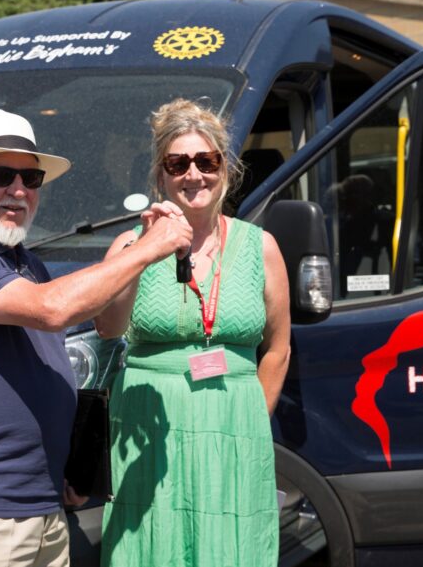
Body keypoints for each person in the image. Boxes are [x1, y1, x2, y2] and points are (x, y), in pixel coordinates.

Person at [0, 109, 192, 567]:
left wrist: (131, 253)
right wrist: (147, 249)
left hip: (39, 502)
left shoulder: (24, 263)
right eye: (1, 174)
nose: (18, 190)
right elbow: (53, 310)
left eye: (31, 177)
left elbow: (110, 325)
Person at [94, 99, 292, 567]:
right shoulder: (129, 245)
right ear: (161, 176)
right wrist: (143, 253)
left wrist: (248, 422)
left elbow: (278, 350)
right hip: (147, 428)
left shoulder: (259, 246)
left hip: (233, 427)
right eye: (178, 163)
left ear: (226, 169)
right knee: (151, 546)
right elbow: (108, 326)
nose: (194, 175)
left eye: (207, 161)